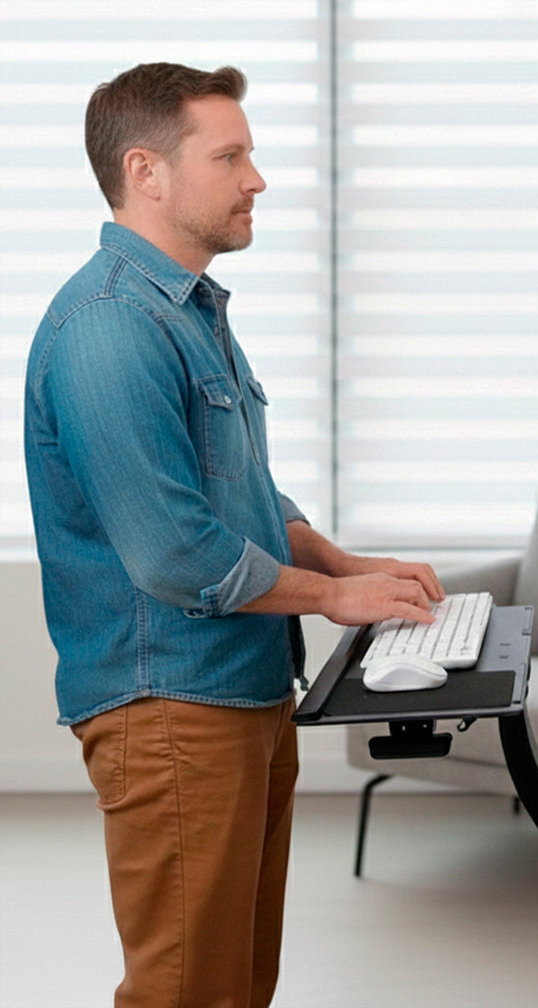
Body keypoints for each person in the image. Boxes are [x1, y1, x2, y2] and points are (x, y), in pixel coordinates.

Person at [23, 62, 443, 1008]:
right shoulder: (108, 329)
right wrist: (337, 601)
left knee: (237, 987)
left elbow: (239, 489)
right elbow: (176, 551)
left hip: (241, 693)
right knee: (186, 991)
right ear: (148, 173)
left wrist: (342, 564)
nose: (256, 178)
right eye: (231, 155)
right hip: (173, 708)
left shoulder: (189, 312)